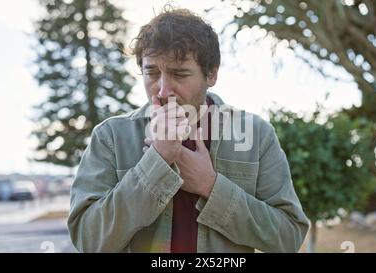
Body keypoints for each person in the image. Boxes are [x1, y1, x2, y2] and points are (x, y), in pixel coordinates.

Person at [68, 7, 309, 253]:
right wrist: (156, 163)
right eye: (151, 72)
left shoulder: (257, 135)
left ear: (212, 73)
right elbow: (88, 240)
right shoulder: (110, 137)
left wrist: (210, 186)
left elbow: (288, 236)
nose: (162, 91)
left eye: (180, 74)